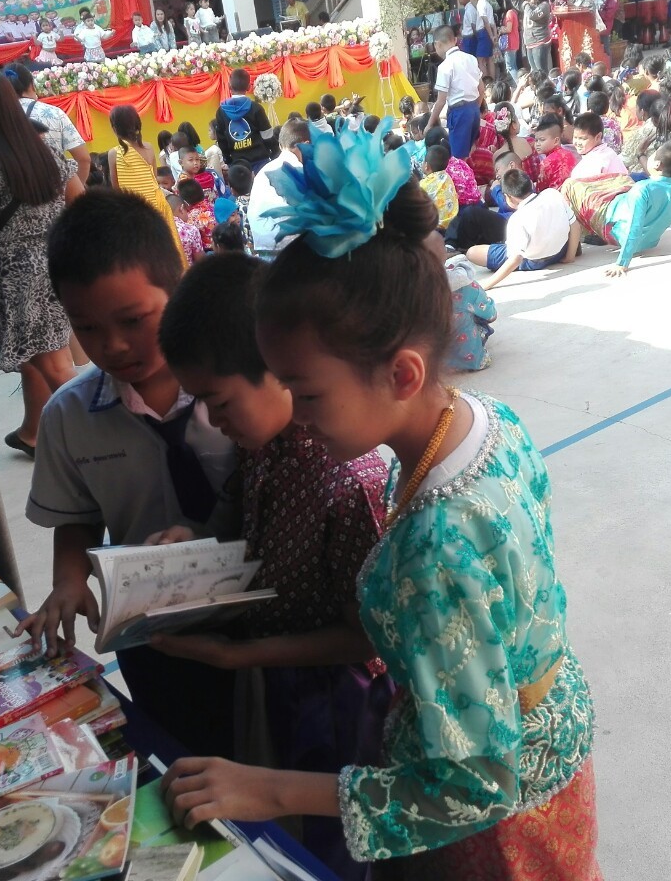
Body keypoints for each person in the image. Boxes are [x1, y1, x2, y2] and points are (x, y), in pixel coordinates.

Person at [162, 151, 600, 876]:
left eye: (307, 393)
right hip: (552, 733)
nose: (297, 416)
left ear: (401, 373)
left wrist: (268, 788)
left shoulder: (435, 548)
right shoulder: (488, 419)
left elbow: (474, 784)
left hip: (497, 824)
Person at [153, 253, 392, 880]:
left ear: (278, 369)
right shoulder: (261, 444)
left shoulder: (347, 478)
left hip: (339, 703)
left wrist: (239, 656)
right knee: (281, 828)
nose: (212, 420)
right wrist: (194, 541)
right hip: (275, 677)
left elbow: (364, 639)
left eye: (219, 402)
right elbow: (239, 515)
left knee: (330, 844)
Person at [20, 190, 241, 758]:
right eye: (87, 327)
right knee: (176, 750)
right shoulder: (69, 417)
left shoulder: (244, 387)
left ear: (178, 289)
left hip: (256, 616)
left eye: (133, 320)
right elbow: (77, 517)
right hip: (151, 629)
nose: (113, 345)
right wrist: (70, 580)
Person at [0, 72, 81, 456]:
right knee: (43, 354)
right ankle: (34, 431)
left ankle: (104, 434)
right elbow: (80, 199)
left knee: (54, 365)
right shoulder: (43, 149)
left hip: (14, 276)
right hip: (55, 264)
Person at [563, 143, 671, 277]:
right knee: (622, 179)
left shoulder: (642, 189)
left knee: (571, 185)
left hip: (613, 230)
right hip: (648, 241)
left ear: (657, 164)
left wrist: (622, 263)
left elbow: (634, 226)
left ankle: (572, 243)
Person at [465, 169, 576, 289]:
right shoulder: (552, 194)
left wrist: (487, 284)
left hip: (533, 260)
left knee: (472, 253)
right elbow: (575, 225)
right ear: (531, 184)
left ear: (509, 197)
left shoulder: (517, 219)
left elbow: (516, 258)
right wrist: (570, 257)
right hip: (559, 251)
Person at [107, 104, 184, 261]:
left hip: (134, 210)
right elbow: (154, 177)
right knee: (166, 250)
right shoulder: (148, 147)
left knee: (144, 256)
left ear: (115, 129)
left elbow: (116, 188)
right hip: (157, 204)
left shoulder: (114, 154)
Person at [6, 62, 91, 184]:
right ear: (32, 85)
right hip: (54, 188)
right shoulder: (54, 113)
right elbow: (83, 159)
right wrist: (75, 190)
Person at [248, 119, 309, 253]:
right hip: (289, 248)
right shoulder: (300, 171)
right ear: (306, 145)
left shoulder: (264, 170)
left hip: (262, 244)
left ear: (281, 146)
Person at [427, 25, 484, 161]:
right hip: (474, 108)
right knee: (470, 152)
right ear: (455, 40)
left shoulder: (445, 66)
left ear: (437, 44)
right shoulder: (471, 58)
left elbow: (441, 101)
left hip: (459, 112)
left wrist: (430, 123)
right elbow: (481, 89)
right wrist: (475, 107)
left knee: (458, 159)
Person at [443, 247, 498, 372]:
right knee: (476, 318)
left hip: (429, 362)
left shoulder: (412, 288)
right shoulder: (466, 287)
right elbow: (490, 314)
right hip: (469, 358)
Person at [215, 68, 275, 172]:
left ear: (229, 86)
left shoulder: (221, 111)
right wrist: (275, 153)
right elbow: (267, 135)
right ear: (248, 87)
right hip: (261, 161)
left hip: (238, 164)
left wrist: (228, 160)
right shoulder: (256, 108)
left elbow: (221, 140)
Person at [569, 112, 628, 180]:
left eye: (583, 139)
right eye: (575, 137)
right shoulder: (608, 152)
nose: (577, 143)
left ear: (598, 137)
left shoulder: (597, 161)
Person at [531, 113, 578, 191]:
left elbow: (540, 190)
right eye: (536, 140)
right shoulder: (569, 154)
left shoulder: (547, 162)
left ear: (556, 141)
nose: (538, 144)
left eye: (542, 140)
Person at [420, 145, 460, 231]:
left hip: (437, 227)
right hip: (454, 223)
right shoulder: (447, 177)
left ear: (426, 165)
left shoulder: (424, 184)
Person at [523, 0, 553, 80]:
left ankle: (546, 87)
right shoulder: (531, 5)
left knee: (541, 72)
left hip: (539, 42)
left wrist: (526, 5)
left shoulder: (544, 6)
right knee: (535, 72)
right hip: (529, 43)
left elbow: (532, 15)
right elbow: (517, 4)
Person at [499, 0, 521, 84]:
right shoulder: (514, 12)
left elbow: (508, 29)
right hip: (514, 41)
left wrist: (500, 29)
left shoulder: (509, 13)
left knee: (510, 67)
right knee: (513, 65)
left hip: (510, 43)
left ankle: (517, 84)